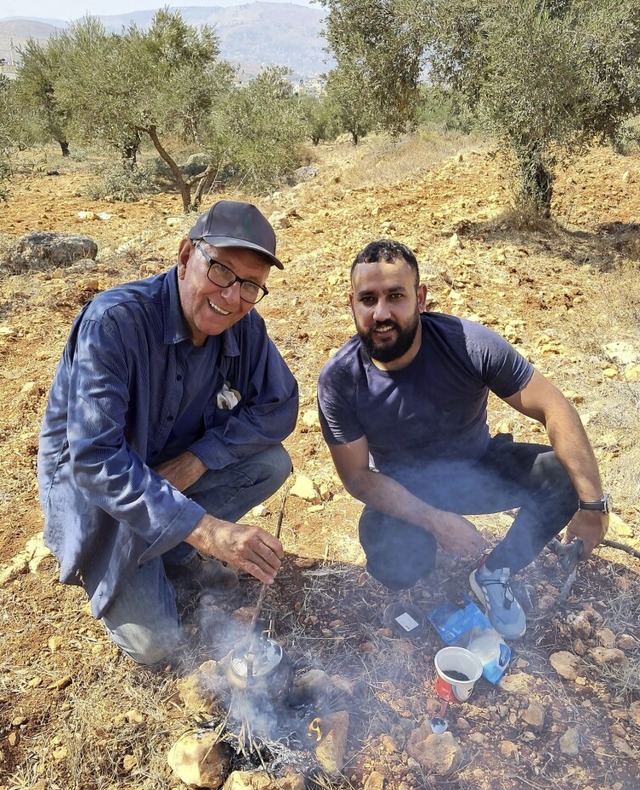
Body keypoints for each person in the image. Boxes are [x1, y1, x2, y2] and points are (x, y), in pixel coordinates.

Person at [38, 200, 298, 664]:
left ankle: (172, 549)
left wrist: (199, 458)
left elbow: (279, 405)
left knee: (270, 463)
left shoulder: (243, 325)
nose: (232, 296)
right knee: (155, 645)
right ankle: (140, 555)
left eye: (251, 286)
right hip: (101, 500)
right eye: (220, 270)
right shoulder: (114, 323)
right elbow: (95, 460)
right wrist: (206, 530)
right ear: (184, 257)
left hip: (170, 476)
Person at [317, 239, 609, 640]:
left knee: (561, 477)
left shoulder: (467, 345)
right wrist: (435, 522)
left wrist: (593, 506)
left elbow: (555, 408)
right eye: (368, 299)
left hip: (477, 468)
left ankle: (494, 574)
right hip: (405, 487)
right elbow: (358, 478)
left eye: (395, 296)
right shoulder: (340, 380)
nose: (381, 313)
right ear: (352, 304)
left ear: (420, 298)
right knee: (393, 562)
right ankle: (417, 566)